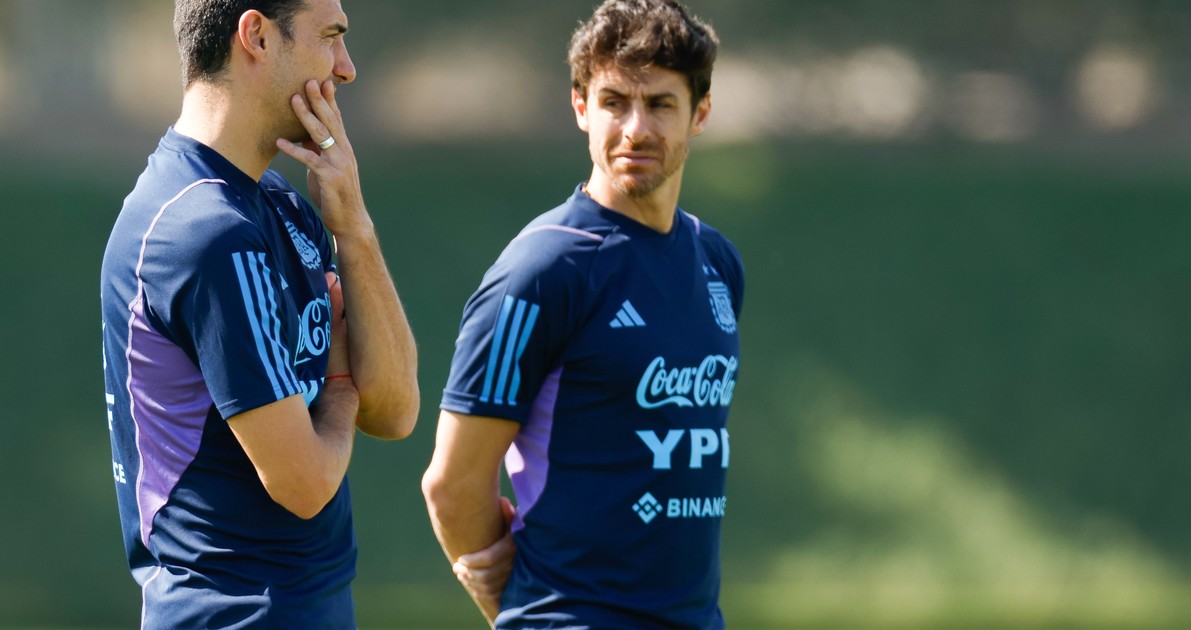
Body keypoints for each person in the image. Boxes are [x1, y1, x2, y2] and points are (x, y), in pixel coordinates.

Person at [421, 0, 743, 627]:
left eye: (661, 104)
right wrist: (517, 605)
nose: (636, 129)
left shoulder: (717, 261)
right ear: (580, 108)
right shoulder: (544, 270)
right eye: (614, 102)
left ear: (700, 112)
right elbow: (453, 484)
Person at [100, 0, 419, 626]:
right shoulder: (204, 231)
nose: (346, 68)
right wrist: (340, 385)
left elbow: (396, 409)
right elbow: (305, 485)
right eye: (330, 37)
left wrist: (354, 227)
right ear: (257, 36)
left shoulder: (280, 203)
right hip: (237, 613)